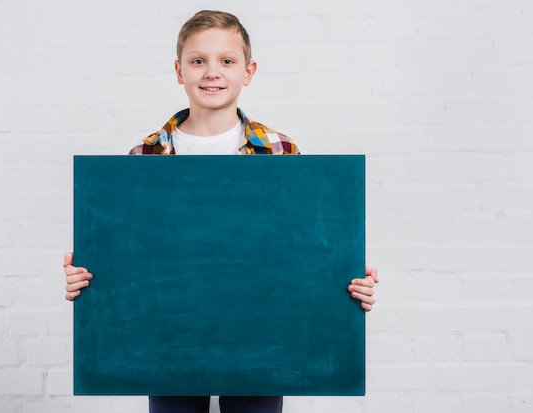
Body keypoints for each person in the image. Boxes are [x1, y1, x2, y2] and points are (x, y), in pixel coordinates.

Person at [64, 10, 379, 413]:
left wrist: (348, 278)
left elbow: (308, 247)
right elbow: (129, 257)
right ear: (179, 72)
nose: (212, 72)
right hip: (167, 335)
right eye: (198, 61)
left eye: (226, 61)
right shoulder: (145, 157)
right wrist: (86, 277)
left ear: (248, 72)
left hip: (264, 333)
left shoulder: (280, 152)